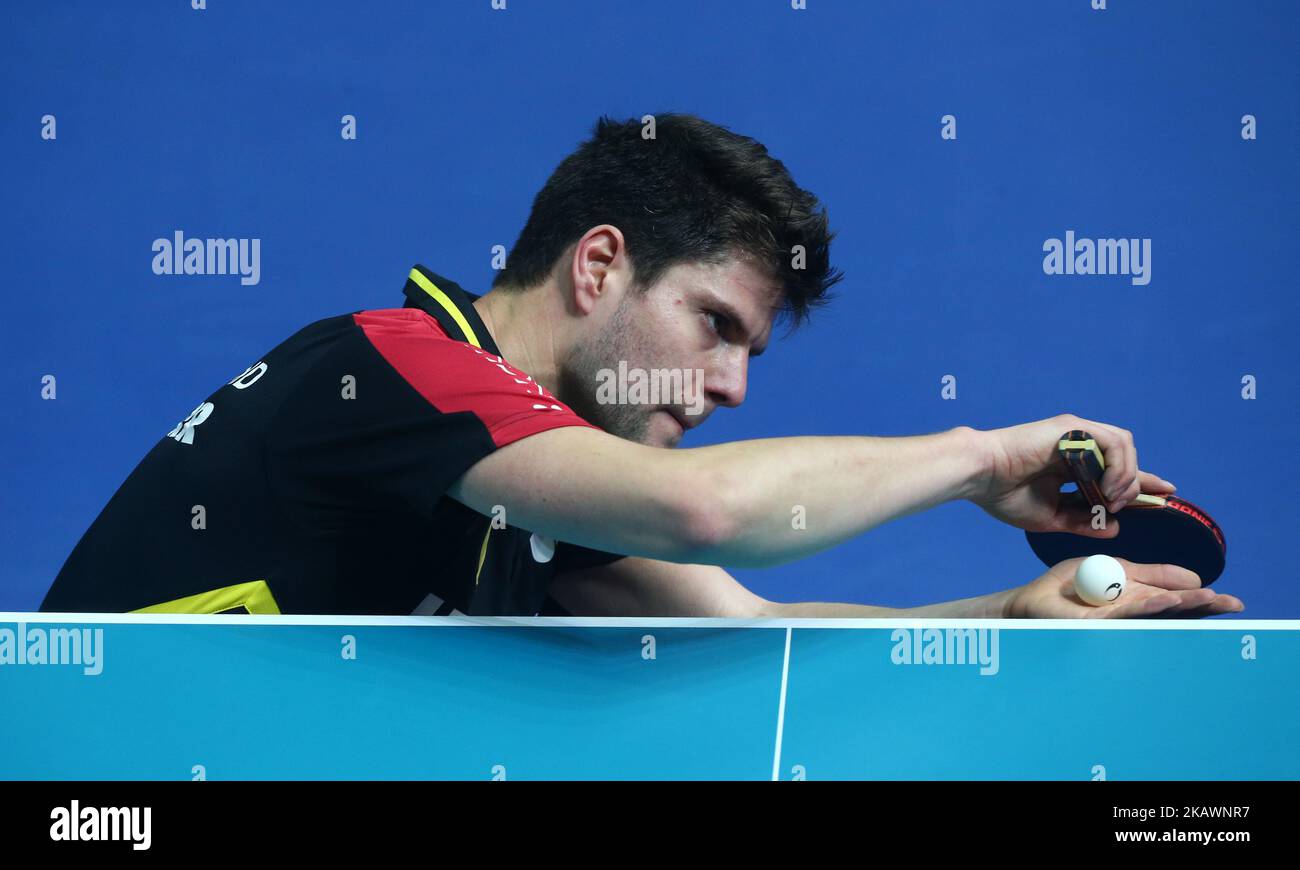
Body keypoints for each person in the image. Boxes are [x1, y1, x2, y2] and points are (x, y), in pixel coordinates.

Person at [41, 113, 1243, 619]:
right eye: (715, 325)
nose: (730, 389)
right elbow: (708, 512)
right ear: (599, 266)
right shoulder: (394, 366)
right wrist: (979, 458)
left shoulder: (532, 484)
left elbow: (750, 632)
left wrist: (1013, 616)